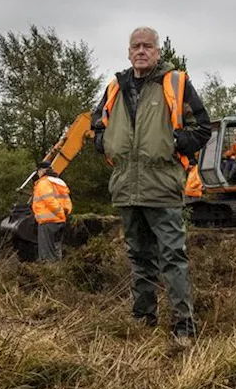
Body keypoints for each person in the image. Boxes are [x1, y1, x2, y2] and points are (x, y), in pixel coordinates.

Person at [91, 26, 212, 343]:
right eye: (135, 46)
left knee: (173, 257)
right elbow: (96, 128)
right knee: (139, 258)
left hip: (162, 187)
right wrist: (107, 144)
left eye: (147, 46)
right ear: (128, 52)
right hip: (126, 189)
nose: (141, 51)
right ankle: (143, 321)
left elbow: (202, 130)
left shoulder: (176, 83)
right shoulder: (116, 86)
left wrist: (175, 141)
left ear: (158, 51)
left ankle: (183, 325)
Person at [31, 160, 72, 261]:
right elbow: (67, 201)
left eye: (38, 171)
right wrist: (64, 215)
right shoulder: (59, 182)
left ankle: (50, 273)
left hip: (48, 223)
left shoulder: (43, 183)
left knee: (47, 254)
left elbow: (49, 201)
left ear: (42, 171)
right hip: (60, 222)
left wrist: (60, 213)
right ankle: (58, 272)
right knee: (57, 250)